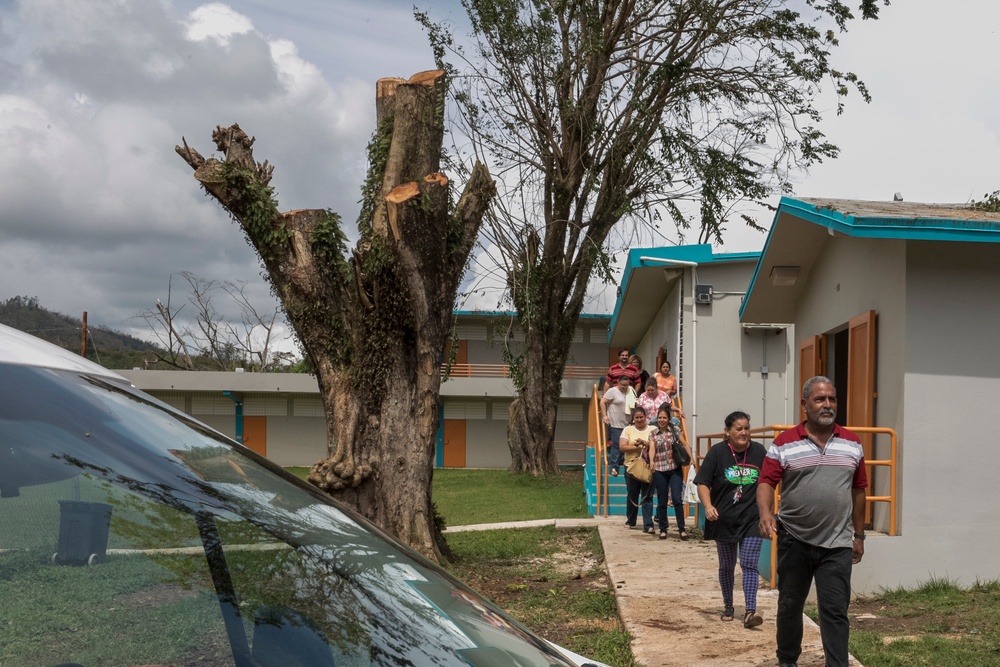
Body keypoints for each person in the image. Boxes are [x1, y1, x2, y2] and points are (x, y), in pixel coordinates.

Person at [757, 376, 867, 667]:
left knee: (835, 610)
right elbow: (766, 481)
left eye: (831, 398)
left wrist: (859, 535)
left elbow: (859, 490)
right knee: (790, 605)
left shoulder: (853, 443)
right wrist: (766, 514)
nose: (827, 404)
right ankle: (787, 660)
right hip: (795, 539)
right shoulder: (784, 443)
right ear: (804, 404)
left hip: (838, 543)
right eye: (820, 399)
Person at [695, 410, 768, 628]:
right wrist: (708, 506)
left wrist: (768, 513)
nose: (744, 432)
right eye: (739, 429)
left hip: (751, 520)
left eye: (747, 428)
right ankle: (728, 605)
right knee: (727, 565)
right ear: (727, 432)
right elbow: (702, 483)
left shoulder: (759, 452)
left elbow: (767, 483)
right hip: (724, 520)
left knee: (749, 564)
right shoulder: (717, 453)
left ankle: (750, 611)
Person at [648, 407, 692, 540]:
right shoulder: (653, 433)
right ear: (657, 419)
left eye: (664, 418)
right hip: (660, 470)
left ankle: (682, 529)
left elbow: (685, 445)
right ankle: (663, 529)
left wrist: (692, 459)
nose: (662, 420)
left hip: (674, 468)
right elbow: (651, 449)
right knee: (662, 500)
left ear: (669, 419)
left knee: (677, 499)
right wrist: (651, 461)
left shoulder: (675, 430)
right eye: (660, 418)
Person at [620, 405, 655, 532]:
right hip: (631, 467)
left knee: (647, 496)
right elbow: (622, 446)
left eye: (641, 417)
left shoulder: (653, 429)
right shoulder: (628, 430)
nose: (639, 420)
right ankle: (631, 520)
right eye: (637, 417)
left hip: (647, 467)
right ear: (633, 418)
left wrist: (645, 443)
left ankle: (648, 525)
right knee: (632, 494)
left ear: (646, 417)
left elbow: (655, 444)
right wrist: (636, 447)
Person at [600, 375, 632, 476]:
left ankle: (624, 463)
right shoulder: (612, 391)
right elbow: (603, 402)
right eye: (622, 385)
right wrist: (605, 416)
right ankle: (614, 467)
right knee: (616, 445)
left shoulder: (630, 391)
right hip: (615, 423)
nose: (624, 387)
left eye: (626, 385)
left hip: (627, 424)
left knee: (626, 445)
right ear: (618, 382)